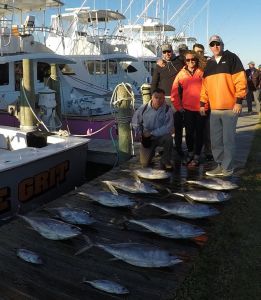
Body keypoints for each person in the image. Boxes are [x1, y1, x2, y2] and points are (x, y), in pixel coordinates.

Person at [200, 35, 247, 177]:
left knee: (228, 140)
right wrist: (203, 104)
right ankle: (220, 165)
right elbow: (205, 87)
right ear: (210, 47)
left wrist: (238, 101)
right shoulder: (209, 64)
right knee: (215, 141)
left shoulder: (232, 58)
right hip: (214, 109)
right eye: (212, 44)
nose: (215, 46)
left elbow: (241, 81)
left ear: (222, 44)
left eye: (217, 43)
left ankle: (228, 168)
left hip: (230, 108)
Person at [171, 50, 208, 166]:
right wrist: (178, 107)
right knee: (189, 133)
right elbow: (174, 92)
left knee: (200, 133)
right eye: (188, 60)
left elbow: (208, 90)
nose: (191, 62)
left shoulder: (202, 72)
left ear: (196, 60)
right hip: (187, 109)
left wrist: (205, 105)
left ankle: (197, 155)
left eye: (193, 59)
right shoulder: (181, 74)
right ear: (185, 61)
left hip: (201, 108)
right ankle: (190, 153)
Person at [150, 43, 185, 157]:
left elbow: (188, 57)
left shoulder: (180, 61)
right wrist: (153, 98)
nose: (167, 54)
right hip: (163, 99)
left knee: (178, 124)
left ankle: (178, 146)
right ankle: (164, 147)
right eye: (164, 52)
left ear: (172, 51)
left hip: (177, 99)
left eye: (168, 51)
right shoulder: (159, 65)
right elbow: (154, 82)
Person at [132, 88, 174, 170]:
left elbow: (168, 127)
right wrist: (140, 133)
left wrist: (151, 133)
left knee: (169, 138)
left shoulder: (167, 109)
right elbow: (135, 123)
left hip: (160, 136)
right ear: (152, 97)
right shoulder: (143, 108)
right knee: (144, 163)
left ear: (164, 98)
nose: (158, 100)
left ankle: (166, 160)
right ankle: (151, 153)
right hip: (147, 138)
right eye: (156, 97)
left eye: (161, 98)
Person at [193, 43, 213, 161]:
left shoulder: (208, 64)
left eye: (201, 51)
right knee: (195, 131)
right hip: (193, 104)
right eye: (197, 51)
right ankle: (196, 152)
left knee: (208, 130)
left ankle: (209, 151)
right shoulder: (189, 62)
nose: (198, 54)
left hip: (207, 103)